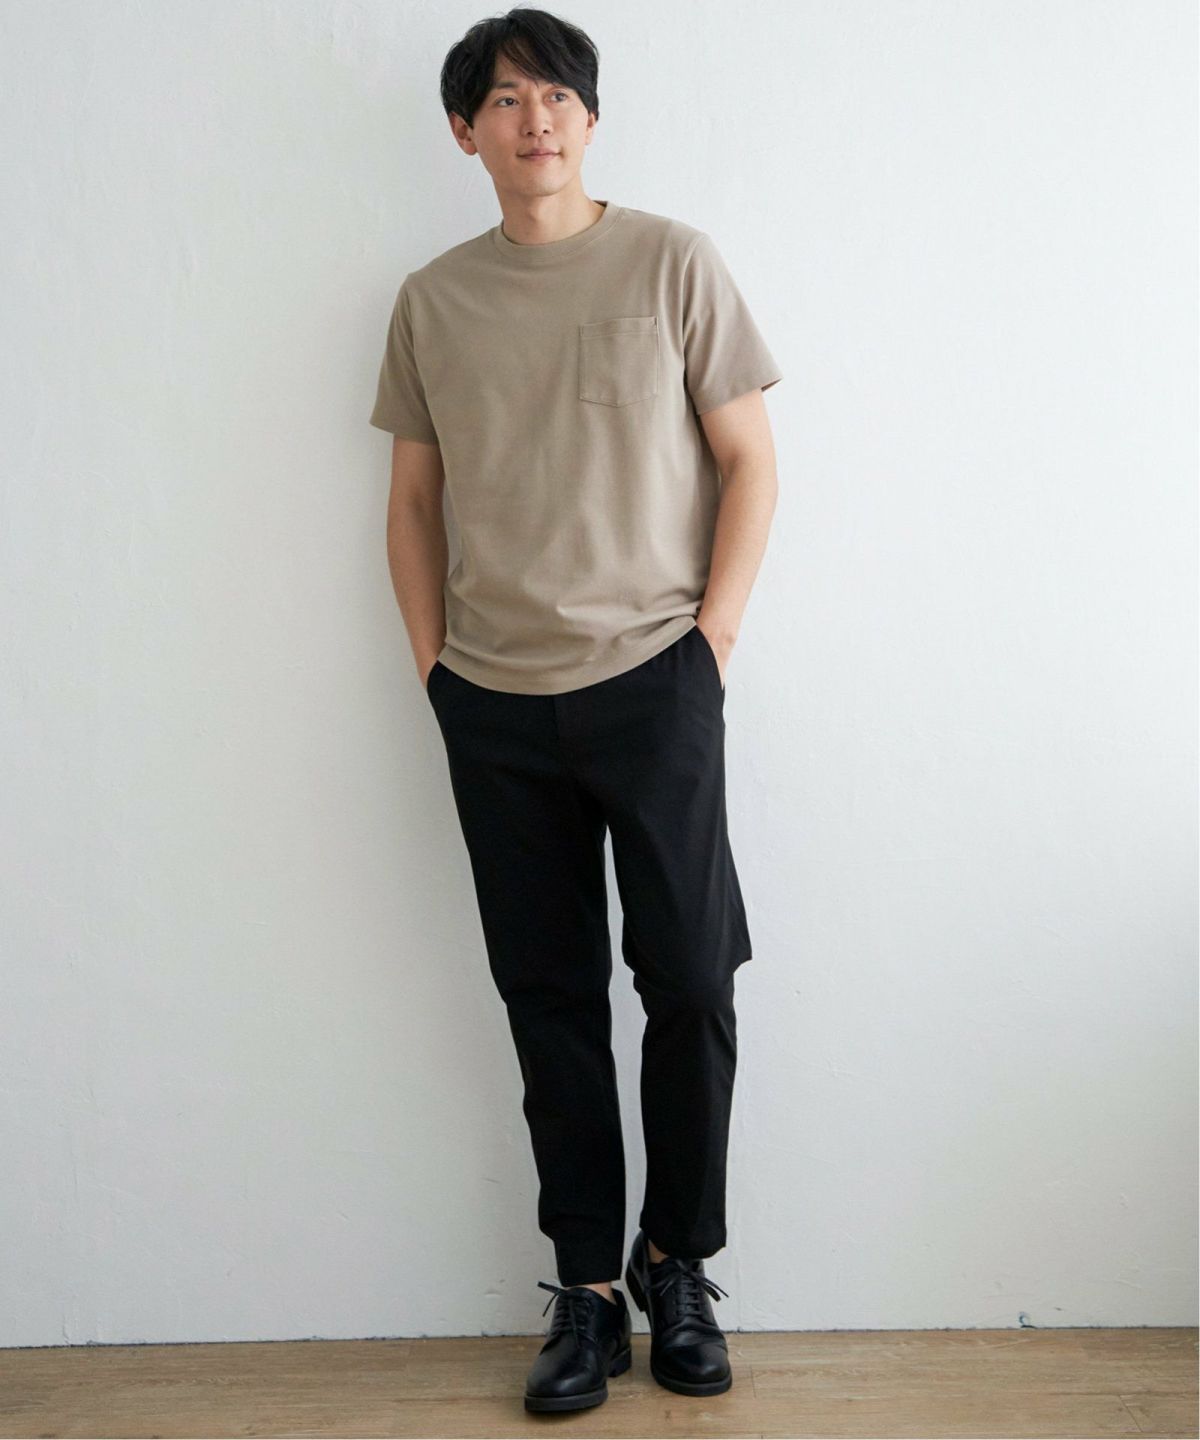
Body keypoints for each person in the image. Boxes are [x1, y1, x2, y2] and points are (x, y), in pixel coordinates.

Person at [369, 6, 782, 1414]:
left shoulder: (672, 261)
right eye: (503, 99)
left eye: (555, 95)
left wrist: (711, 643)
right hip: (493, 701)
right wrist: (435, 670)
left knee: (692, 981)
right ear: (464, 131)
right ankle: (589, 1291)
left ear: (590, 119)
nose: (533, 118)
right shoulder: (433, 299)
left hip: (656, 680)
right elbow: (412, 500)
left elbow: (751, 461)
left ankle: (681, 1264)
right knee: (548, 998)